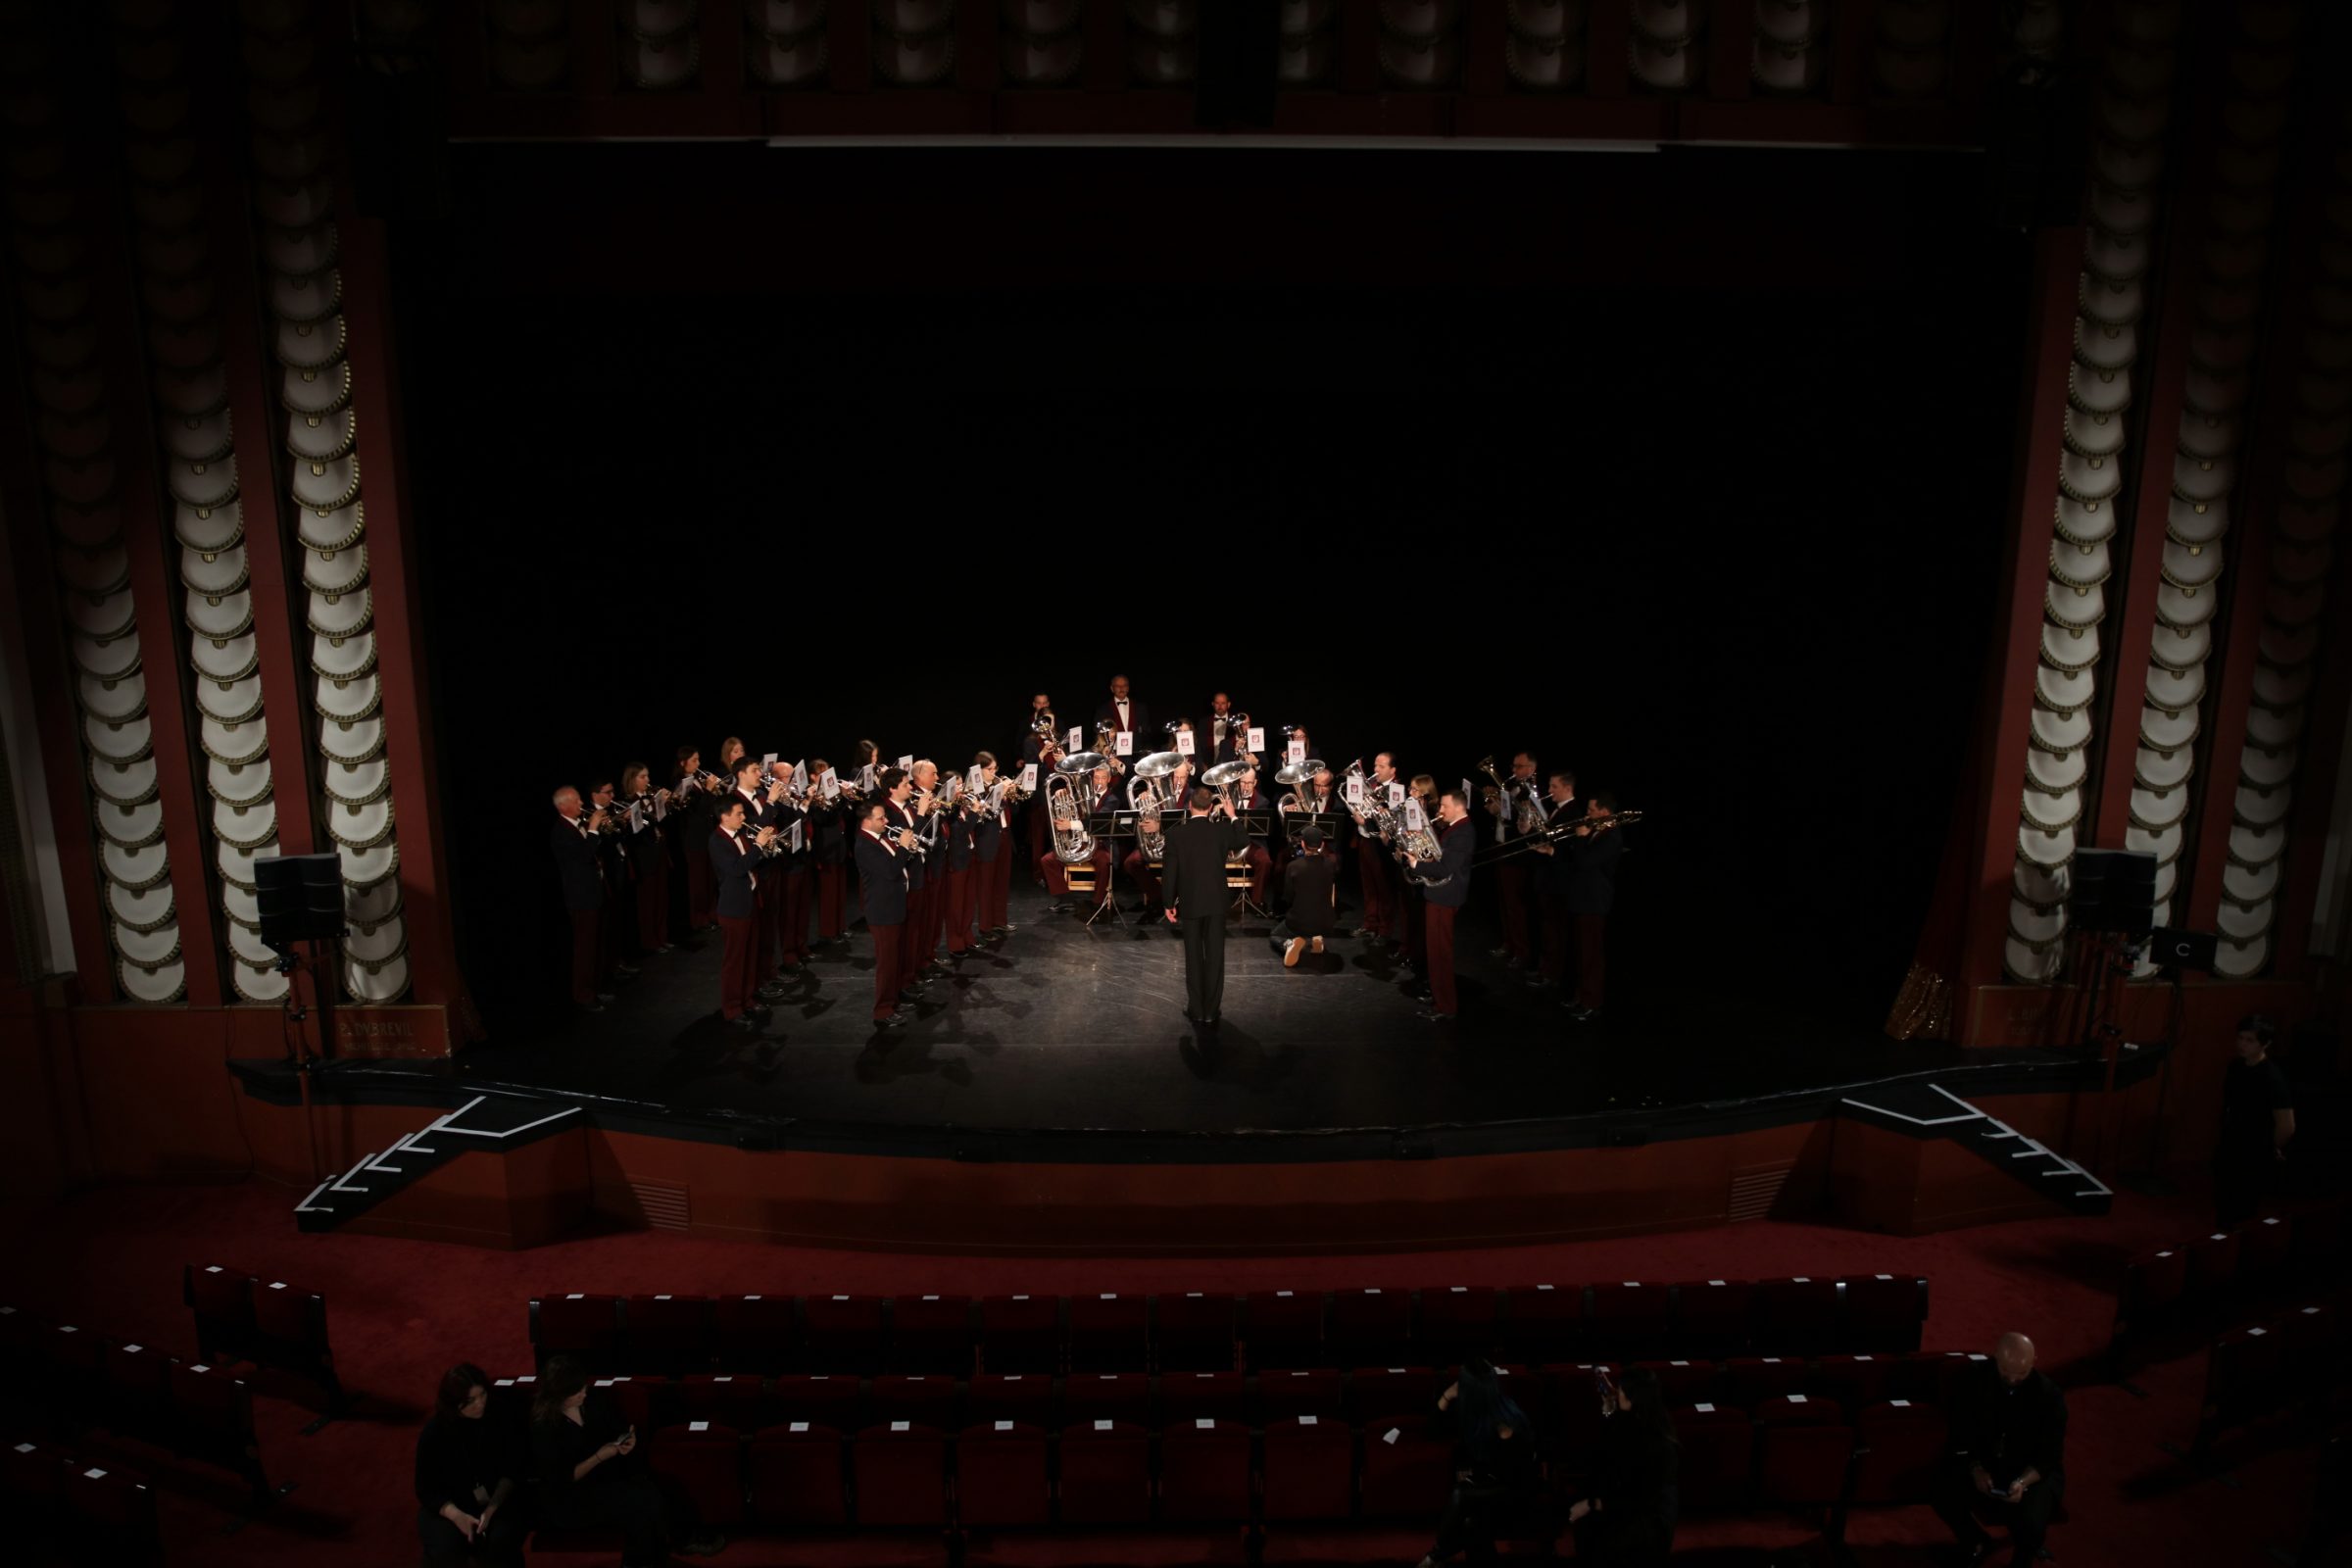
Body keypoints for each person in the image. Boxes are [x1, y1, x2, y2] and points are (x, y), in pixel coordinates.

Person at [529, 1356, 722, 1566]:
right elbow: (562, 1478)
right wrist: (599, 1456)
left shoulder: (592, 1400)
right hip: (571, 1497)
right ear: (558, 1396)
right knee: (640, 1503)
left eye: (584, 1387)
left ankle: (661, 1553)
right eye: (576, 1392)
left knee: (652, 1491)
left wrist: (628, 1438)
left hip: (606, 1476)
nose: (584, 1393)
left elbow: (616, 1428)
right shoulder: (543, 1426)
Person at [1934, 1332, 2066, 1567]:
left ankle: (2022, 1559)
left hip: (2030, 1470)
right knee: (1939, 1486)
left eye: (2021, 1374)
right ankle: (1975, 1539)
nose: (2013, 1380)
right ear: (1996, 1359)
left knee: (2032, 1523)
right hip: (1985, 1462)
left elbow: (2049, 1455)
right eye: (2006, 1373)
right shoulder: (1974, 1381)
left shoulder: (2049, 1396)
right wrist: (1975, 1468)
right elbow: (1960, 1433)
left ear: (2034, 1361)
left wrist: (2023, 1481)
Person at [1416, 1359, 1539, 1568]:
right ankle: (1439, 1556)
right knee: (1471, 1523)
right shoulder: (1471, 1412)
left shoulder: (1504, 1423)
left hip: (1514, 1490)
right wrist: (1447, 1395)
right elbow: (1431, 1430)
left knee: (1461, 1494)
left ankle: (1436, 1556)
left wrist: (1479, 1482)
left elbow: (1518, 1478)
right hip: (1487, 1487)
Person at [416, 1363, 529, 1567]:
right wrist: (456, 1515)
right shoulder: (435, 1432)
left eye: (482, 1395)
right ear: (453, 1403)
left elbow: (515, 1467)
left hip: (498, 1500)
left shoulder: (499, 1417)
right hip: (451, 1505)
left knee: (501, 1543)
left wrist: (493, 1506)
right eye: (470, 1401)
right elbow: (426, 1488)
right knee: (445, 1548)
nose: (480, 1404)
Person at [1567, 1367, 1679, 1566]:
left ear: (1632, 1397)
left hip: (1648, 1523)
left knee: (1592, 1529)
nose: (1615, 1394)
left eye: (1620, 1390)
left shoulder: (1655, 1443)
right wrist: (1609, 1409)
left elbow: (1636, 1497)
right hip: (1631, 1508)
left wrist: (1591, 1504)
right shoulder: (1641, 1420)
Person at [1161, 785, 1247, 1029]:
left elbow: (1170, 873)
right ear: (1211, 808)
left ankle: (1196, 1010)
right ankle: (1211, 1011)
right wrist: (1232, 815)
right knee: (1215, 957)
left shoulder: (1176, 834)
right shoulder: (1221, 830)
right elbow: (1243, 839)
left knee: (1193, 957)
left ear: (1189, 806)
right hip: (1217, 902)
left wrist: (1169, 903)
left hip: (1190, 902)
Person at [2216, 1013, 2295, 1228]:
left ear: (2265, 1043)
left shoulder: (2272, 1078)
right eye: (2241, 1038)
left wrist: (2271, 1147)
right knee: (2225, 1198)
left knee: (2244, 1204)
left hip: (2254, 1148)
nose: (2242, 1044)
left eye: (2250, 1040)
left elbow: (2287, 1125)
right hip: (2232, 1139)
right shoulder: (2236, 1067)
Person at [1554, 792, 1624, 1021]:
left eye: (1592, 811)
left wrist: (1582, 838)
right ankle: (1580, 995)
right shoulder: (1597, 831)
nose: (1587, 814)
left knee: (1591, 955)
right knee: (1580, 952)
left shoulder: (1612, 836)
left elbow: (1586, 863)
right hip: (1581, 899)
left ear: (1604, 812)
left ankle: (1592, 1001)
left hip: (1595, 902)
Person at [1406, 789, 1474, 1022]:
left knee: (1440, 953)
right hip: (1440, 895)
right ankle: (1439, 996)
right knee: (1434, 952)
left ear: (1458, 807)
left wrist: (1417, 865)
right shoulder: (1455, 828)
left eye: (1444, 806)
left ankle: (1445, 1005)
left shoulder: (1463, 832)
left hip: (1445, 897)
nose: (1440, 810)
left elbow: (1446, 869)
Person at [854, 800, 920, 1028]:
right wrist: (902, 847)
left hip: (895, 907)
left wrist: (906, 850)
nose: (887, 821)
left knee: (896, 959)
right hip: (883, 911)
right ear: (867, 821)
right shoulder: (864, 845)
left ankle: (894, 1000)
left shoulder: (879, 839)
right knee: (887, 963)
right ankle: (882, 1010)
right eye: (881, 818)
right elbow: (891, 871)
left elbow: (896, 865)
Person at [709, 798, 774, 1028]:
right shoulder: (717, 841)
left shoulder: (742, 834)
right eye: (739, 814)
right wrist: (757, 846)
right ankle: (733, 1007)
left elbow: (751, 864)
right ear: (724, 817)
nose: (744, 818)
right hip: (733, 908)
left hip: (750, 902)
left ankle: (748, 999)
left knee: (751, 955)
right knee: (735, 961)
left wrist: (764, 850)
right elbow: (736, 869)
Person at [549, 787, 612, 1012]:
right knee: (585, 949)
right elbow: (584, 856)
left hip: (594, 893)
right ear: (563, 806)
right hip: (581, 898)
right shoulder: (561, 832)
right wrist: (594, 829)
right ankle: (584, 994)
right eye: (577, 801)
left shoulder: (577, 825)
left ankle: (596, 987)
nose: (581, 804)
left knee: (597, 944)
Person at [1271, 826, 1340, 966]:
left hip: (1299, 922)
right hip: (1326, 922)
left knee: (1275, 935)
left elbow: (1288, 897)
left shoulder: (1294, 866)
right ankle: (1316, 938)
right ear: (1322, 845)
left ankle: (1288, 944)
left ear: (1302, 844)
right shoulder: (1331, 864)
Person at [1093, 672, 1152, 756]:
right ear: (1112, 688)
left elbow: (1146, 732)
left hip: (1137, 753)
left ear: (1128, 688)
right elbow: (1098, 732)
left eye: (1124, 685)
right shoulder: (1102, 710)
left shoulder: (1141, 708)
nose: (1121, 688)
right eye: (1117, 686)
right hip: (1114, 754)